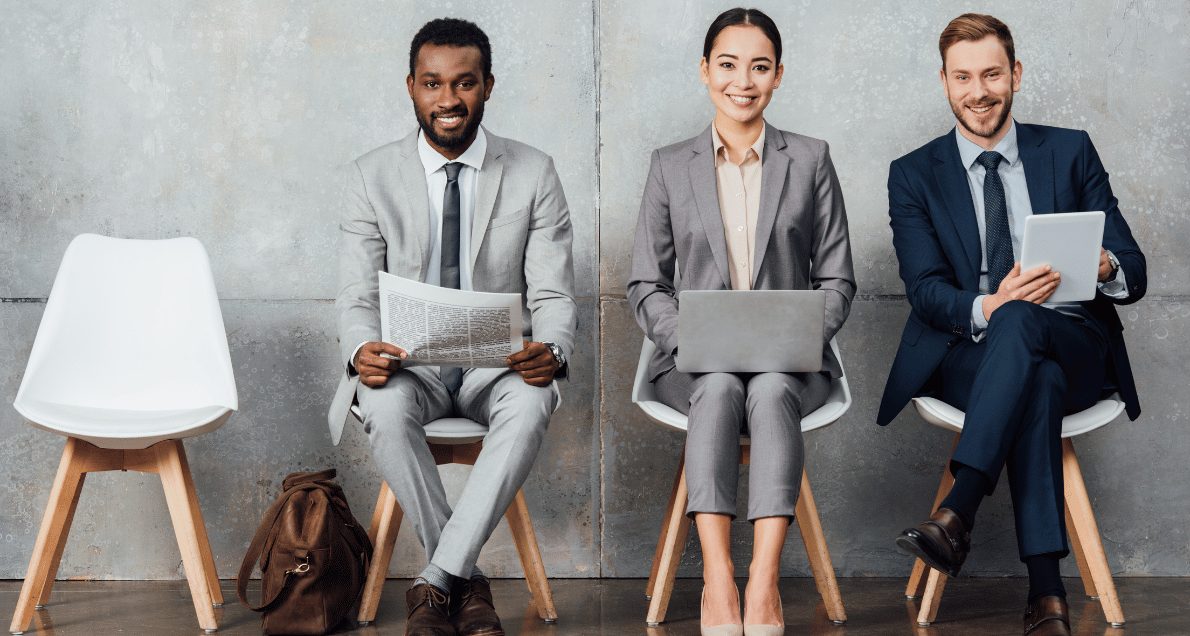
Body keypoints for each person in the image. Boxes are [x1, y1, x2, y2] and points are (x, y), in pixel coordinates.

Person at [878, 13, 1145, 636]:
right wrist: (990, 307)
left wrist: (1103, 262)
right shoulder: (913, 173)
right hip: (972, 352)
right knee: (1035, 376)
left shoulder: (1070, 149)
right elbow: (925, 292)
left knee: (1036, 339)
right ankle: (1047, 593)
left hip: (1076, 338)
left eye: (992, 74)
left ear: (1015, 75)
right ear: (944, 82)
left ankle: (958, 510)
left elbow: (1132, 267)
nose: (979, 91)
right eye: (963, 77)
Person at [326, 17, 576, 636]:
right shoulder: (370, 176)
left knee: (534, 398)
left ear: (488, 86)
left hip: (500, 366)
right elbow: (355, 294)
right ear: (411, 86)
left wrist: (553, 348)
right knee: (380, 407)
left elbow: (552, 292)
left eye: (464, 84)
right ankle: (466, 585)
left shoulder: (534, 171)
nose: (448, 100)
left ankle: (433, 583)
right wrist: (362, 350)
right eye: (433, 84)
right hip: (411, 365)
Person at [627, 8, 855, 635]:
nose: (743, 81)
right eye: (728, 64)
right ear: (706, 71)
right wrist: (691, 339)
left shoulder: (809, 159)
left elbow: (837, 279)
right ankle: (720, 581)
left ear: (778, 75)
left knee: (773, 387)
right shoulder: (670, 165)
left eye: (759, 66)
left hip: (790, 361)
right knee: (723, 386)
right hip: (695, 365)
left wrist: (801, 336)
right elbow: (646, 283)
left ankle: (764, 584)